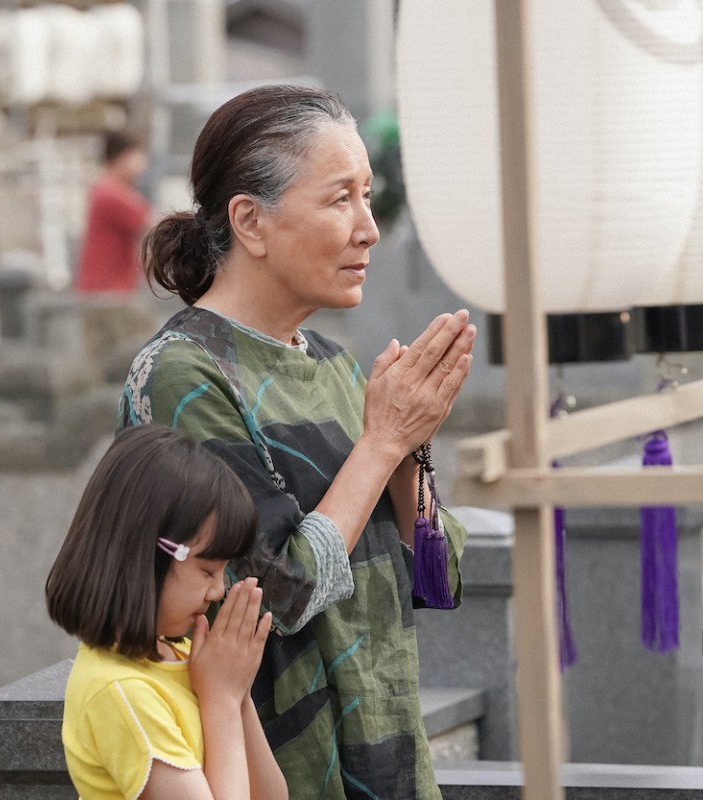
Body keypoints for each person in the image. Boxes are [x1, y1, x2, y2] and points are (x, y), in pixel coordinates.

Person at [118, 84, 476, 799]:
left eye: (368, 197)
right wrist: (379, 444)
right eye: (340, 199)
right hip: (278, 769)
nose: (369, 228)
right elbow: (269, 593)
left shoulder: (333, 362)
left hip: (391, 760)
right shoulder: (183, 376)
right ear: (250, 221)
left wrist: (409, 450)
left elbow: (444, 579)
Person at [47, 424, 288, 800]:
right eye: (207, 570)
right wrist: (222, 699)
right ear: (144, 553)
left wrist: (236, 693)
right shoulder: (120, 691)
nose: (219, 589)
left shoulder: (182, 655)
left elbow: (271, 796)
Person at [75, 129, 153, 293]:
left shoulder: (107, 189)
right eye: (136, 154)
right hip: (107, 292)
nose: (142, 162)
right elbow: (154, 224)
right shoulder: (111, 194)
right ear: (122, 156)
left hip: (106, 290)